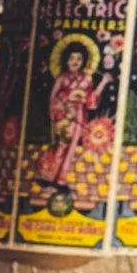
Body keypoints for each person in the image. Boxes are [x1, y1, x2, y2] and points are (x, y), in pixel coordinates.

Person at [43, 41, 103, 186]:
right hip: (64, 116)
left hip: (80, 116)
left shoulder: (87, 78)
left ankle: (61, 178)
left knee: (72, 146)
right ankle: (50, 172)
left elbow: (91, 100)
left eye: (79, 59)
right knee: (62, 144)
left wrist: (102, 84)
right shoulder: (62, 78)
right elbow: (53, 97)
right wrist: (64, 100)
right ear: (66, 60)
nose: (75, 62)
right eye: (72, 58)